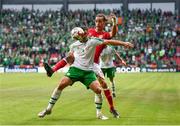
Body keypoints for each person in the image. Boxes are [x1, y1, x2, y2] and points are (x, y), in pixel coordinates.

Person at [43, 14, 133, 118]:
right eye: (96, 21)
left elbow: (113, 34)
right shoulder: (89, 31)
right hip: (80, 61)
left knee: (103, 85)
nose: (97, 23)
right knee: (68, 59)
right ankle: (52, 70)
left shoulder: (104, 35)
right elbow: (79, 38)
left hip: (94, 64)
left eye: (100, 21)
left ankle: (112, 108)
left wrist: (114, 23)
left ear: (104, 23)